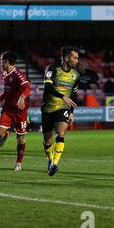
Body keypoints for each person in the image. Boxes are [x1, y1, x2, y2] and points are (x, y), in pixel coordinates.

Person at [41, 46, 80, 176]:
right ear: (67, 57)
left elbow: (73, 94)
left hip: (63, 108)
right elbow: (48, 87)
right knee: (47, 142)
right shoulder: (52, 69)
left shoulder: (75, 75)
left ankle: (54, 164)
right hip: (48, 108)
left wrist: (72, 111)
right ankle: (50, 159)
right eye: (75, 57)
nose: (77, 60)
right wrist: (63, 96)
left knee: (61, 133)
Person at [0, 50, 30, 172]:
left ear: (6, 61)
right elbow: (6, 92)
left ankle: (19, 163)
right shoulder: (5, 75)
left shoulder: (17, 74)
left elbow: (27, 87)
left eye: (1, 60)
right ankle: (7, 133)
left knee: (21, 139)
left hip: (20, 111)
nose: (0, 62)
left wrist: (22, 98)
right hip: (7, 109)